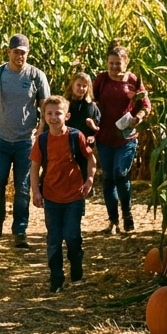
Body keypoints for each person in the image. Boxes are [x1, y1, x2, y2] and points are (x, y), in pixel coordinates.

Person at [0, 35, 51, 248]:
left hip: (26, 141)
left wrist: (41, 132)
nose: (19, 56)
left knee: (23, 187)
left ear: (28, 53)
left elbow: (46, 106)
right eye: (16, 52)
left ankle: (20, 230)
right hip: (0, 140)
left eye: (23, 52)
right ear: (9, 52)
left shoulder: (36, 76)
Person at [30, 95, 96, 293]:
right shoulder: (42, 140)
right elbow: (34, 168)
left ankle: (76, 269)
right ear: (43, 116)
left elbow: (90, 159)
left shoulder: (75, 136)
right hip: (51, 196)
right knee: (54, 239)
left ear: (66, 116)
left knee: (73, 236)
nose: (53, 117)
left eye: (58, 113)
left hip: (74, 196)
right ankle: (56, 278)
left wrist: (90, 180)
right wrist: (36, 192)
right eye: (49, 114)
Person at [93, 44, 151, 235]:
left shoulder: (133, 80)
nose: (114, 67)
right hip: (105, 136)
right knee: (108, 178)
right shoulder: (101, 80)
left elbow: (145, 104)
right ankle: (113, 221)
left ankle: (127, 214)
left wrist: (138, 118)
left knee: (121, 173)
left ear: (126, 63)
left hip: (126, 137)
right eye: (111, 63)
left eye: (118, 63)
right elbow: (89, 100)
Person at [62, 72, 101, 152]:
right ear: (72, 85)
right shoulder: (63, 104)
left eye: (84, 86)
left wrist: (93, 134)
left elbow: (98, 128)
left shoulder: (91, 106)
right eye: (78, 85)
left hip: (84, 146)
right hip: (65, 145)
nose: (81, 88)